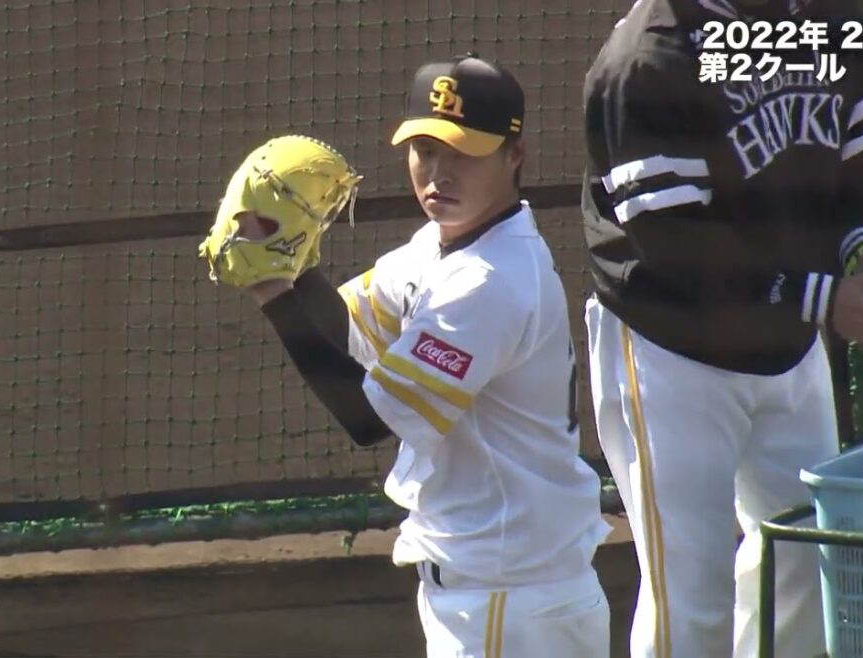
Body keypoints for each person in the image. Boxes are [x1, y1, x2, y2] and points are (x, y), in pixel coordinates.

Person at [199, 54, 614, 658]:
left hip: (510, 605)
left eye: (463, 153)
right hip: (501, 592)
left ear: (514, 156)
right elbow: (346, 328)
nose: (438, 173)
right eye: (424, 149)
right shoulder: (441, 248)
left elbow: (368, 419)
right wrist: (293, 259)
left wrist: (271, 288)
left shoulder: (489, 280)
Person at [577, 1, 863, 657]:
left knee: (807, 560)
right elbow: (675, 243)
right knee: (693, 598)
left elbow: (862, 153)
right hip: (670, 346)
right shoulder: (650, 58)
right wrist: (820, 298)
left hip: (786, 338)